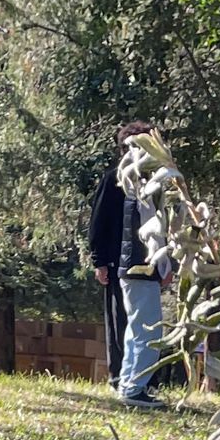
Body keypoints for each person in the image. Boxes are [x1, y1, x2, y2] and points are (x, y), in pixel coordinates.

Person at [87, 120, 150, 388]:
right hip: (116, 261)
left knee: (145, 324)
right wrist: (99, 260)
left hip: (148, 263)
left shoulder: (154, 181)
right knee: (119, 322)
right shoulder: (112, 179)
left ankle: (144, 378)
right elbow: (98, 221)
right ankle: (118, 377)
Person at [115, 154, 172, 409]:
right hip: (142, 269)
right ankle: (135, 388)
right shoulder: (146, 196)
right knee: (150, 332)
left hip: (129, 269)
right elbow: (155, 237)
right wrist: (164, 266)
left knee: (135, 331)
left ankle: (128, 383)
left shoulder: (131, 191)